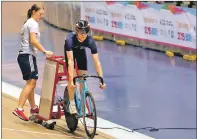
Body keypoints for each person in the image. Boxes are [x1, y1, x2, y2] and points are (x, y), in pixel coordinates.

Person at [13, 4, 54, 121]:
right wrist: (45, 51)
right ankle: (19, 109)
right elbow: (33, 40)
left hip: (24, 56)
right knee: (31, 83)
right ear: (34, 12)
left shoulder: (28, 22)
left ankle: (33, 107)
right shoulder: (33, 24)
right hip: (27, 56)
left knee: (31, 83)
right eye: (40, 14)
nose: (41, 17)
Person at [64, 20, 106, 114]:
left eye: (86, 32)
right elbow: (70, 62)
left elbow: (97, 62)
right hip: (71, 53)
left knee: (83, 77)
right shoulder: (69, 40)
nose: (83, 34)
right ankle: (72, 104)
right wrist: (71, 81)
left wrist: (101, 80)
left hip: (80, 53)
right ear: (76, 31)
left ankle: (83, 104)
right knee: (73, 79)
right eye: (81, 32)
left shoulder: (90, 41)